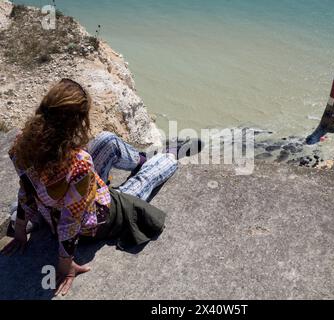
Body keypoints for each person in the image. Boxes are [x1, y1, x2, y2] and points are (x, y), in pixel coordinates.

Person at [0, 79, 200, 296]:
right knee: (142, 183)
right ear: (77, 122)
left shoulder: (21, 145)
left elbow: (26, 190)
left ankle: (142, 159)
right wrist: (65, 264)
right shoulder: (79, 163)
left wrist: (20, 231)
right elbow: (70, 221)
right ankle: (168, 156)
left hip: (58, 204)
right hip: (96, 221)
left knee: (107, 140)